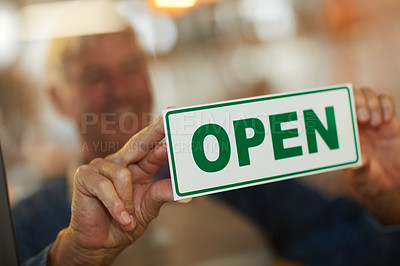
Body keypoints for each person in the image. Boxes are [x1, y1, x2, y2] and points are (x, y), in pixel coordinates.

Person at [11, 4, 400, 266]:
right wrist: (70, 255)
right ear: (55, 99)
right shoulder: (24, 224)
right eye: (94, 77)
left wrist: (389, 206)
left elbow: (356, 249)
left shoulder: (234, 172)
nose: (121, 89)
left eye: (132, 68)